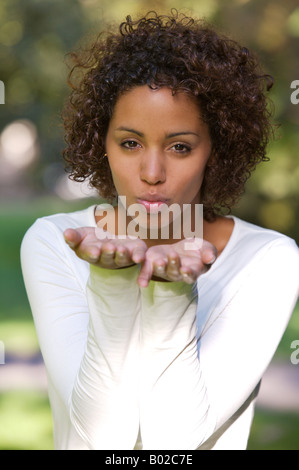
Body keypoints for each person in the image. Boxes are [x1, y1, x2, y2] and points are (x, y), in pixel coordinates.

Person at [21, 10, 299, 450]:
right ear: (102, 144)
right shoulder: (54, 242)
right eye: (130, 143)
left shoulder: (268, 260)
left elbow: (173, 444)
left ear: (216, 150)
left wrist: (171, 294)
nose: (152, 172)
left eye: (180, 146)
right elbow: (102, 441)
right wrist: (111, 282)